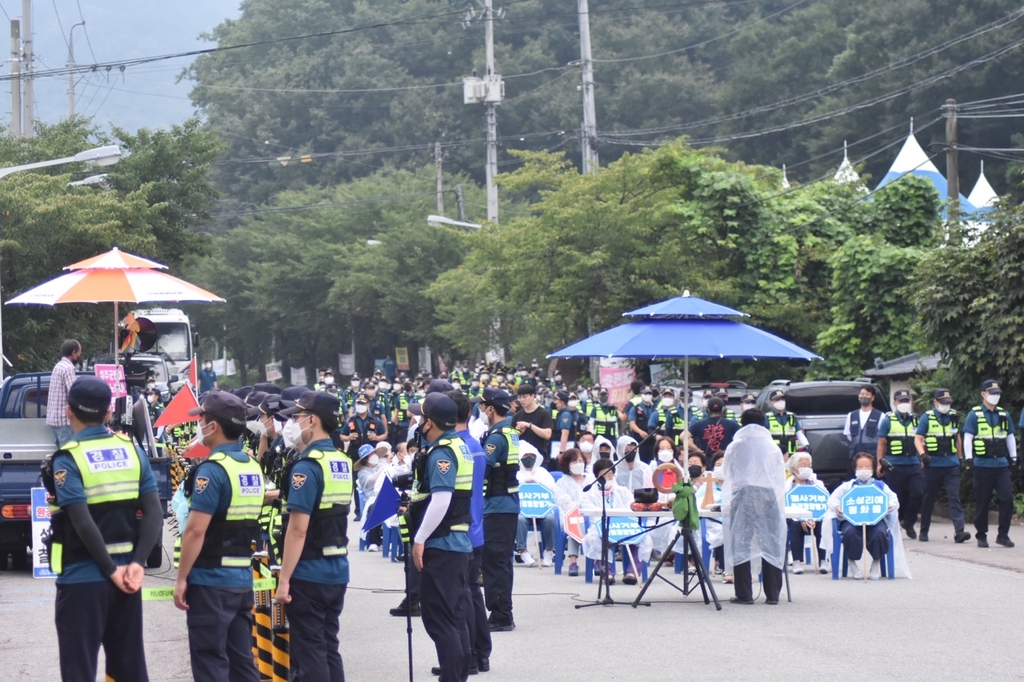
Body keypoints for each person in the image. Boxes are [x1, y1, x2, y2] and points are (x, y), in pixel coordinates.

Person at [47, 377, 162, 682]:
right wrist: (136, 564)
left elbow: (82, 522)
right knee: (130, 668)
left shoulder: (68, 457)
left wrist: (109, 569)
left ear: (69, 411)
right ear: (109, 413)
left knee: (79, 671)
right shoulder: (131, 451)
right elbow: (154, 512)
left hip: (83, 579)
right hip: (128, 579)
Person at [174, 391, 266, 682]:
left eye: (201, 419)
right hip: (240, 578)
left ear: (213, 427)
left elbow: (196, 529)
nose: (199, 425)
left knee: (211, 662)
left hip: (211, 581)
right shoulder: (251, 467)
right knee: (242, 663)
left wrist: (181, 578)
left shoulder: (211, 471)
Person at [275, 391, 352, 681]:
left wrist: (284, 579)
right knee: (329, 646)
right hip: (337, 569)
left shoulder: (307, 466)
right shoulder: (340, 460)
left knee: (310, 654)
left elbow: (298, 529)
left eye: (296, 418)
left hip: (308, 572)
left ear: (312, 420)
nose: (291, 424)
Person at [408, 393, 474, 682]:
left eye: (421, 417)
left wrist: (419, 539)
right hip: (457, 543)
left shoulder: (442, 452)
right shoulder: (460, 446)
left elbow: (442, 499)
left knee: (439, 621)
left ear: (429, 422)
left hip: (442, 544)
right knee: (453, 618)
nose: (418, 422)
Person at [721, 409, 786, 605]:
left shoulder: (735, 446)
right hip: (767, 495)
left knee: (740, 542)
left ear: (742, 423)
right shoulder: (772, 447)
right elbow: (778, 477)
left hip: (742, 495)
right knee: (770, 541)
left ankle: (744, 593)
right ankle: (773, 594)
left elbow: (728, 473)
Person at [824, 453, 908, 580]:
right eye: (860, 466)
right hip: (852, 521)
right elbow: (832, 499)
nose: (864, 469)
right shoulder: (847, 486)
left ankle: (876, 562)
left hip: (875, 520)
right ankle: (851, 561)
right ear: (855, 469)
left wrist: (890, 505)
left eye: (867, 467)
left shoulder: (880, 486)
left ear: (873, 469)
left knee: (879, 533)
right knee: (850, 533)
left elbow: (893, 499)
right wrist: (837, 507)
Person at [478, 387, 520, 632]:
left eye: (484, 407)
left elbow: (484, 469)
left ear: (491, 409)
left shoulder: (495, 437)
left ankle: (500, 614)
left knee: (493, 561)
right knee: (502, 561)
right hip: (508, 504)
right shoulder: (510, 432)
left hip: (497, 504)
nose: (482, 410)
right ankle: (503, 611)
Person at [581, 458, 651, 585]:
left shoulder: (623, 492)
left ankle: (632, 573)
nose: (608, 478)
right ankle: (608, 573)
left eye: (610, 474)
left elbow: (631, 508)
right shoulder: (589, 494)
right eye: (604, 475)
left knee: (644, 538)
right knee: (596, 539)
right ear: (597, 477)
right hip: (601, 527)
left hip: (623, 525)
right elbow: (591, 514)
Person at [963, 380, 1016, 548]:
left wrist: (1013, 457)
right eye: (992, 393)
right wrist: (969, 458)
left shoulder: (1004, 414)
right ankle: (981, 535)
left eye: (998, 393)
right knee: (982, 500)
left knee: (1007, 498)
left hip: (1001, 464)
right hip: (983, 464)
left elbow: (1009, 436)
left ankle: (1003, 535)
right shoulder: (975, 414)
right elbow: (968, 438)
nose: (996, 396)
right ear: (983, 394)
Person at [914, 388, 969, 544]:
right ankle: (924, 530)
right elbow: (918, 439)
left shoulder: (953, 416)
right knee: (929, 498)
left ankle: (960, 531)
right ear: (935, 402)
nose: (946, 406)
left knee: (954, 497)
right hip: (933, 464)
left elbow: (957, 438)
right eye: (943, 403)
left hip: (951, 464)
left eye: (948, 403)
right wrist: (923, 455)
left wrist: (960, 458)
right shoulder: (927, 418)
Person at [877, 389, 925, 540]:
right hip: (895, 464)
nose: (904, 404)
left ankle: (908, 522)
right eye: (901, 401)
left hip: (913, 463)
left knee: (918, 493)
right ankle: (893, 525)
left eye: (906, 401)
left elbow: (921, 440)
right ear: (895, 403)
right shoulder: (888, 420)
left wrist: (922, 457)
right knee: (896, 496)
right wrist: (880, 463)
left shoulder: (916, 420)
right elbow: (881, 443)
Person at [515, 442, 558, 567]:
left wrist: (538, 483)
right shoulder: (516, 473)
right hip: (523, 510)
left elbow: (552, 489)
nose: (529, 459)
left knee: (550, 519)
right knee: (519, 520)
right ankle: (523, 551)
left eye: (532, 456)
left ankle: (549, 550)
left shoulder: (543, 472)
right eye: (525, 456)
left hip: (542, 509)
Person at [785, 453, 828, 574]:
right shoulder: (789, 486)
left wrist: (815, 517)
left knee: (822, 526)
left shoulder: (817, 485)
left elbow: (824, 503)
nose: (807, 468)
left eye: (809, 465)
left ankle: (823, 560)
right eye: (803, 465)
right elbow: (786, 505)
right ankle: (797, 561)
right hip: (794, 519)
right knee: (796, 525)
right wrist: (801, 518)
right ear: (794, 469)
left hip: (816, 519)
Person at [554, 448, 591, 577]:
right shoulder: (562, 482)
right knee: (575, 526)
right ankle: (573, 561)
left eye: (580, 460)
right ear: (568, 464)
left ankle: (598, 560)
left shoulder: (592, 479)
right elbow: (560, 498)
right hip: (571, 516)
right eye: (574, 461)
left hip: (591, 516)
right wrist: (574, 506)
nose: (579, 464)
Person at [46, 339, 82, 448]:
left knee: (61, 456)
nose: (79, 356)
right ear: (73, 352)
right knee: (68, 456)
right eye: (79, 353)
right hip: (64, 421)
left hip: (54, 419)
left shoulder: (58, 366)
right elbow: (74, 392)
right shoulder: (68, 368)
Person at [513, 383, 554, 462]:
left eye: (525, 397)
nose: (522, 400)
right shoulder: (517, 416)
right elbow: (512, 439)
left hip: (540, 457)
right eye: (520, 397)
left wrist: (530, 426)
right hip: (522, 458)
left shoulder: (544, 413)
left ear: (533, 396)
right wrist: (518, 433)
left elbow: (547, 435)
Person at [764, 390, 809, 460]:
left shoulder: (791, 416)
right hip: (774, 455)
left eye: (782, 399)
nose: (780, 401)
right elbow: (764, 438)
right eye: (777, 399)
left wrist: (806, 445)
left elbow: (799, 433)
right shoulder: (767, 418)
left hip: (791, 456)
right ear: (771, 403)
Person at [844, 386, 884, 461]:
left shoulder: (880, 416)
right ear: (859, 397)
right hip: (855, 456)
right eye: (862, 394)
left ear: (872, 398)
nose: (864, 396)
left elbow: (882, 438)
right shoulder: (851, 415)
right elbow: (849, 435)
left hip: (872, 456)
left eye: (867, 394)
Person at [628, 387, 657, 463]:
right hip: (639, 440)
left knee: (653, 461)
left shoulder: (655, 408)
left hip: (652, 440)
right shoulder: (635, 408)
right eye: (645, 393)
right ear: (641, 395)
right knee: (640, 461)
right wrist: (640, 432)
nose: (648, 395)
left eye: (650, 393)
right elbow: (632, 424)